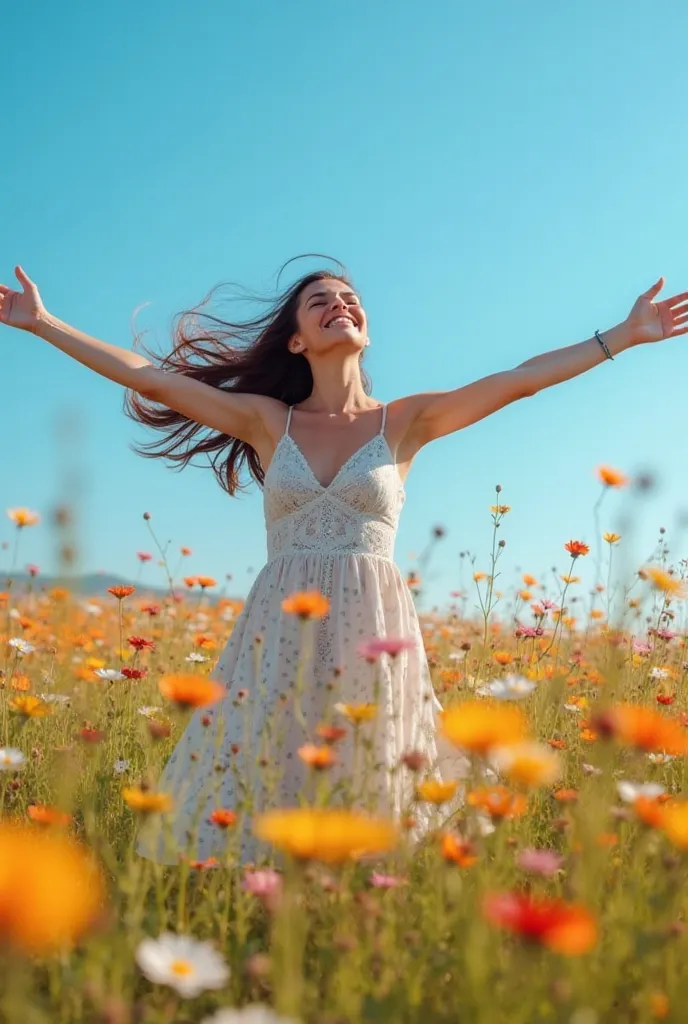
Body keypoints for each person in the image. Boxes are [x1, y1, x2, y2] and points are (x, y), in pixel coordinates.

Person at [2, 260, 687, 866]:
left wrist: (621, 337)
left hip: (373, 625)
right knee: (266, 761)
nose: (342, 304)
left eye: (350, 298)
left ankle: (356, 904)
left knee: (371, 771)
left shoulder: (406, 421)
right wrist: (43, 323)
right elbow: (151, 378)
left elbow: (518, 382)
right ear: (297, 339)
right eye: (321, 300)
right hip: (279, 626)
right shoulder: (271, 422)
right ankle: (260, 909)